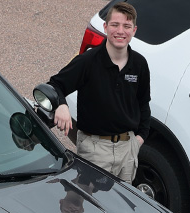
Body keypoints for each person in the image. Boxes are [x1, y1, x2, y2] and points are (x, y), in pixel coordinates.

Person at [45, 2, 149, 182]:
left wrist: (139, 139)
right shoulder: (88, 61)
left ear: (134, 30)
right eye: (115, 25)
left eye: (127, 26)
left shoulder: (139, 64)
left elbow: (143, 103)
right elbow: (55, 85)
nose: (120, 31)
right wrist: (61, 105)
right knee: (91, 205)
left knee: (120, 206)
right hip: (95, 149)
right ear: (105, 26)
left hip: (128, 149)